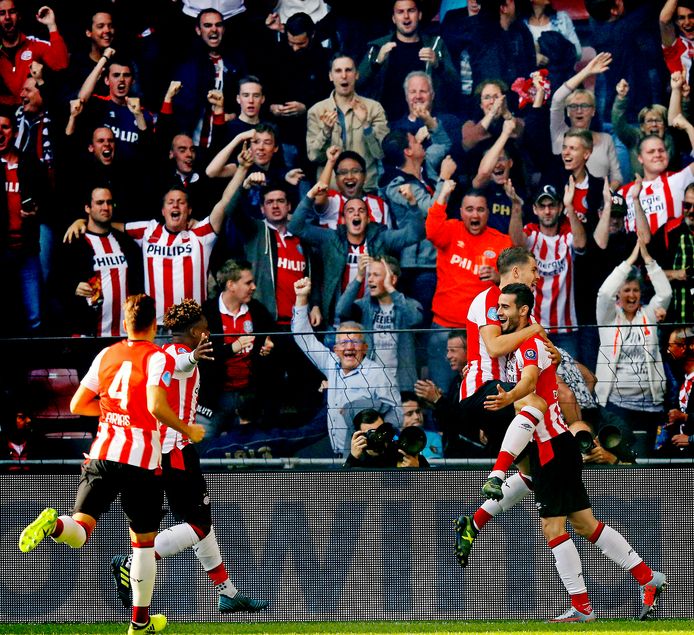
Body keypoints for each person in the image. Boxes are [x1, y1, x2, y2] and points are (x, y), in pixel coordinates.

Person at [476, 282, 667, 622]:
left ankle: (582, 608)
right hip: (558, 446)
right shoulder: (527, 340)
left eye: (504, 307)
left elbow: (531, 383)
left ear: (522, 310)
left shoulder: (529, 343)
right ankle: (647, 578)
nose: (498, 313)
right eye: (498, 307)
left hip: (550, 449)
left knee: (554, 528)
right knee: (585, 524)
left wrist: (508, 397)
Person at [18, 294, 205, 635]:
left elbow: (77, 402)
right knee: (143, 545)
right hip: (140, 462)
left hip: (103, 453)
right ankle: (139, 622)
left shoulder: (106, 354)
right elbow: (155, 406)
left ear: (124, 324)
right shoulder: (157, 357)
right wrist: (186, 428)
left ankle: (53, 525)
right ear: (154, 325)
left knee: (79, 531)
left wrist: (112, 414)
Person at [109, 299, 268, 614]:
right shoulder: (180, 355)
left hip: (162, 450)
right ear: (195, 332)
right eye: (205, 330)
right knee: (198, 525)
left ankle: (227, 592)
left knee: (201, 522)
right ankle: (133, 560)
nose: (208, 335)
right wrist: (194, 356)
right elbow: (184, 363)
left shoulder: (162, 354)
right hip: (175, 451)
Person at [65, 157, 249, 325]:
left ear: (189, 210)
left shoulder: (201, 235)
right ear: (163, 211)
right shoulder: (147, 230)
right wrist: (82, 221)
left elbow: (224, 202)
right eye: (170, 202)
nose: (175, 205)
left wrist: (242, 168)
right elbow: (107, 223)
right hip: (156, 328)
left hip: (191, 327)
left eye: (181, 202)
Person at [292, 276, 401, 456]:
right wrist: (302, 298)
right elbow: (303, 337)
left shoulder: (377, 374)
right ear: (335, 349)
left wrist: (376, 442)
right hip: (339, 455)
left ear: (365, 348)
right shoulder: (331, 362)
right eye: (343, 343)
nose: (349, 347)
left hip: (369, 458)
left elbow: (397, 415)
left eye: (355, 342)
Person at [288, 181, 424, 325]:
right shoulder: (331, 238)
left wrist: (412, 203)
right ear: (343, 219)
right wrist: (310, 195)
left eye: (361, 211)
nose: (356, 214)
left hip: (371, 321)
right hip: (336, 321)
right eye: (350, 211)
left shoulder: (381, 238)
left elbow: (415, 234)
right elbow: (295, 226)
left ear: (368, 219)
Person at [425, 178, 513, 390]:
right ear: (461, 212)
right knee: (441, 391)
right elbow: (431, 230)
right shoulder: (451, 230)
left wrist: (498, 277)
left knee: (481, 391)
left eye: (480, 210)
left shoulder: (502, 241)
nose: (475, 215)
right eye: (470, 209)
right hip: (445, 328)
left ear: (488, 213)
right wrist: (443, 196)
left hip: (482, 331)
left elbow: (515, 285)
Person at [596, 238, 672, 458]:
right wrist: (629, 261)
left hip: (650, 405)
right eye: (626, 290)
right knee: (621, 458)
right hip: (617, 406)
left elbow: (665, 294)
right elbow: (603, 294)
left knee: (647, 459)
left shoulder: (650, 314)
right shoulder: (608, 317)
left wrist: (648, 259)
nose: (631, 295)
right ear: (618, 294)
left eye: (636, 290)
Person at [509, 182, 586, 359]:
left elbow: (581, 243)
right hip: (534, 326)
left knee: (570, 380)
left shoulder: (567, 237)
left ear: (559, 208)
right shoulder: (531, 235)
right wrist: (516, 207)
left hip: (566, 328)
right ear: (535, 210)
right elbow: (516, 241)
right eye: (542, 206)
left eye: (552, 205)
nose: (547, 211)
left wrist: (569, 206)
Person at [57, 186, 143, 337]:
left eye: (109, 202)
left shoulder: (127, 243)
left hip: (125, 335)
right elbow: (54, 283)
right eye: (100, 202)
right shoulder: (74, 243)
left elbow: (139, 284)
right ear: (87, 208)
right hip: (88, 335)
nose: (106, 207)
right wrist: (72, 287)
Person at [357, 0, 458, 121]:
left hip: (425, 122)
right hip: (386, 124)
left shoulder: (435, 45)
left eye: (411, 11)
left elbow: (455, 85)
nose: (406, 16)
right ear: (394, 18)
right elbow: (356, 83)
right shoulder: (378, 47)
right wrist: (377, 63)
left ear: (419, 15)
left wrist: (438, 65)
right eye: (400, 12)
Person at [335, 254, 423, 391]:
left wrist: (390, 288)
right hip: (371, 382)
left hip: (401, 384)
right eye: (369, 275)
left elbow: (415, 318)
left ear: (392, 279)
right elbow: (341, 310)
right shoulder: (364, 306)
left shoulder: (409, 305)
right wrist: (359, 277)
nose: (370, 280)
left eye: (376, 275)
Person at [306, 53, 389, 192]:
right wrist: (325, 132)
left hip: (366, 189)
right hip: (330, 191)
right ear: (330, 76)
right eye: (338, 71)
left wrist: (366, 125)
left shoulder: (374, 108)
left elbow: (381, 154)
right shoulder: (316, 111)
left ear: (356, 74)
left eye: (348, 70)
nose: (344, 76)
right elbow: (314, 157)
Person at [549, 52, 622, 188]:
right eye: (573, 106)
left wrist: (604, 199)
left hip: (599, 204)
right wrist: (586, 72)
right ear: (568, 111)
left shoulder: (606, 139)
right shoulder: (560, 135)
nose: (579, 110)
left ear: (593, 111)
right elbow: (557, 99)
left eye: (584, 106)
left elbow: (616, 177)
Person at [0, 2, 68, 106]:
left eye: (12, 12)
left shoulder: (34, 45)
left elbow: (61, 64)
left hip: (32, 114)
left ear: (19, 16)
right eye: (2, 13)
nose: (8, 17)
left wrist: (51, 26)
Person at [345, 407, 428, 468]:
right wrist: (352, 458)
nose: (379, 436)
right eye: (372, 434)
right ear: (359, 436)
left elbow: (432, 488)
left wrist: (417, 471)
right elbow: (341, 488)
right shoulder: (356, 460)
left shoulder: (403, 454)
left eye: (381, 430)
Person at [659, 326, 694, 454]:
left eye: (671, 345)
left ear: (684, 347)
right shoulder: (683, 380)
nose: (668, 351)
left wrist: (691, 439)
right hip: (681, 454)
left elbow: (686, 417)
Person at [663, 183, 694, 323]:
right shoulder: (670, 231)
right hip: (675, 322)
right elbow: (648, 274)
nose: (691, 211)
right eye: (687, 206)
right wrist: (676, 274)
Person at [400, 391, 442, 460]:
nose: (416, 417)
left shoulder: (434, 438)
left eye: (418, 411)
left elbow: (432, 466)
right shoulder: (391, 440)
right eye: (409, 413)